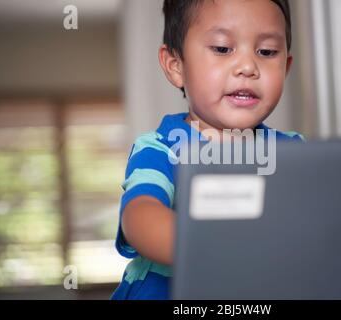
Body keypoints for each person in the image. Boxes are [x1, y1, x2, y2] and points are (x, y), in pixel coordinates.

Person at [111, 0, 304, 300]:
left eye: (266, 52)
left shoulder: (294, 152)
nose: (248, 67)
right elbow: (139, 217)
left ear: (286, 67)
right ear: (176, 66)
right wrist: (217, 247)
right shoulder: (161, 148)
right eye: (222, 48)